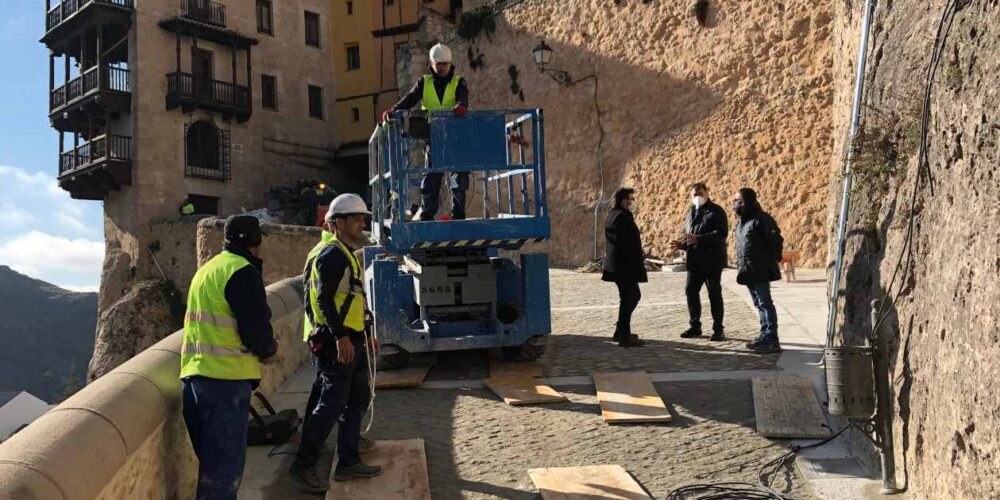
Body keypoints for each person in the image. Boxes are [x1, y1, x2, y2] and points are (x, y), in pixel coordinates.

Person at [180, 215, 278, 500]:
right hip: (225, 383)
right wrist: (271, 350)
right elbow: (256, 330)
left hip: (194, 380)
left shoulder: (207, 270)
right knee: (223, 475)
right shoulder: (242, 271)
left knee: (212, 471)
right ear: (254, 244)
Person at [290, 193, 382, 492]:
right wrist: (340, 336)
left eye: (363, 219)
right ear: (338, 223)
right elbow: (322, 299)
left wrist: (365, 334)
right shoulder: (332, 254)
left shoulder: (341, 250)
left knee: (354, 400)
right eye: (356, 219)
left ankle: (349, 460)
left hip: (349, 337)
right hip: (335, 341)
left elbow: (352, 298)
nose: (362, 224)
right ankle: (303, 465)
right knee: (331, 405)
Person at [381, 43, 470, 221]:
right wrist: (394, 110)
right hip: (434, 135)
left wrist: (461, 106)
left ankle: (458, 214)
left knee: (458, 177)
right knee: (431, 177)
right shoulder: (424, 82)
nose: (443, 67)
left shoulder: (459, 82)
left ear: (450, 63)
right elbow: (411, 98)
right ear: (432, 63)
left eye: (445, 64)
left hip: (455, 134)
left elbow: (462, 97)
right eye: (439, 64)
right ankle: (427, 214)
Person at [670, 183, 729, 341]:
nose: (697, 197)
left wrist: (699, 238)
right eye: (694, 194)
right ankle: (695, 326)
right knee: (691, 291)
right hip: (695, 261)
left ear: (707, 193)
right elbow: (691, 236)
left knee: (714, 294)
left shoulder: (716, 211)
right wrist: (683, 245)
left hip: (712, 261)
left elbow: (722, 233)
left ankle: (718, 329)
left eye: (700, 193)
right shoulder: (691, 212)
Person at [732, 188, 784, 354]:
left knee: (765, 303)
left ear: (747, 201)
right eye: (734, 201)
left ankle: (771, 339)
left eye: (738, 201)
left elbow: (775, 241)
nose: (735, 204)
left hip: (759, 268)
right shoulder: (742, 222)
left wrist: (771, 260)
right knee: (758, 304)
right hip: (748, 270)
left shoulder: (762, 219)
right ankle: (764, 335)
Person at [601, 188, 647, 347]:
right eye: (629, 199)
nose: (631, 202)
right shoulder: (622, 217)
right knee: (632, 296)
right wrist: (635, 258)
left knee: (627, 297)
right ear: (622, 200)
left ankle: (621, 331)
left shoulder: (614, 215)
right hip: (624, 266)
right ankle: (624, 335)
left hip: (618, 266)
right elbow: (624, 243)